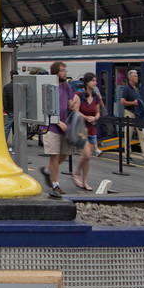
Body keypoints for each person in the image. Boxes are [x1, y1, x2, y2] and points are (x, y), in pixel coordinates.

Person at [40, 61, 79, 197]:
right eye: (62, 70)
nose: (65, 73)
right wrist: (58, 122)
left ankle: (47, 169)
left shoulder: (66, 86)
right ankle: (56, 184)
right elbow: (47, 107)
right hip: (51, 126)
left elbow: (69, 105)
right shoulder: (50, 86)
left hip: (64, 126)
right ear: (56, 72)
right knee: (54, 155)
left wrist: (73, 105)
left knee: (66, 153)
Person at [72, 72, 101, 192]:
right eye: (93, 81)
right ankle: (77, 174)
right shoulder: (79, 94)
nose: (95, 83)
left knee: (87, 157)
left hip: (92, 129)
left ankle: (84, 180)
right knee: (87, 154)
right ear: (87, 82)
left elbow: (98, 112)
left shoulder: (95, 96)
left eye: (95, 81)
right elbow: (75, 111)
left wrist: (95, 118)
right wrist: (86, 117)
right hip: (81, 128)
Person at [120, 69, 144, 164]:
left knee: (142, 135)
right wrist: (133, 103)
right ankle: (127, 155)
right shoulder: (127, 89)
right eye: (135, 76)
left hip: (138, 115)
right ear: (130, 77)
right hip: (129, 114)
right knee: (128, 135)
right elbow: (122, 102)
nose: (137, 77)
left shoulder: (136, 88)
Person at [2, 70, 18, 153]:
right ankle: (14, 148)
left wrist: (7, 110)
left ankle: (2, 146)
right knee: (16, 131)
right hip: (18, 112)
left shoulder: (6, 87)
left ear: (11, 76)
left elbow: (4, 100)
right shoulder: (20, 87)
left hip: (10, 112)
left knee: (6, 129)